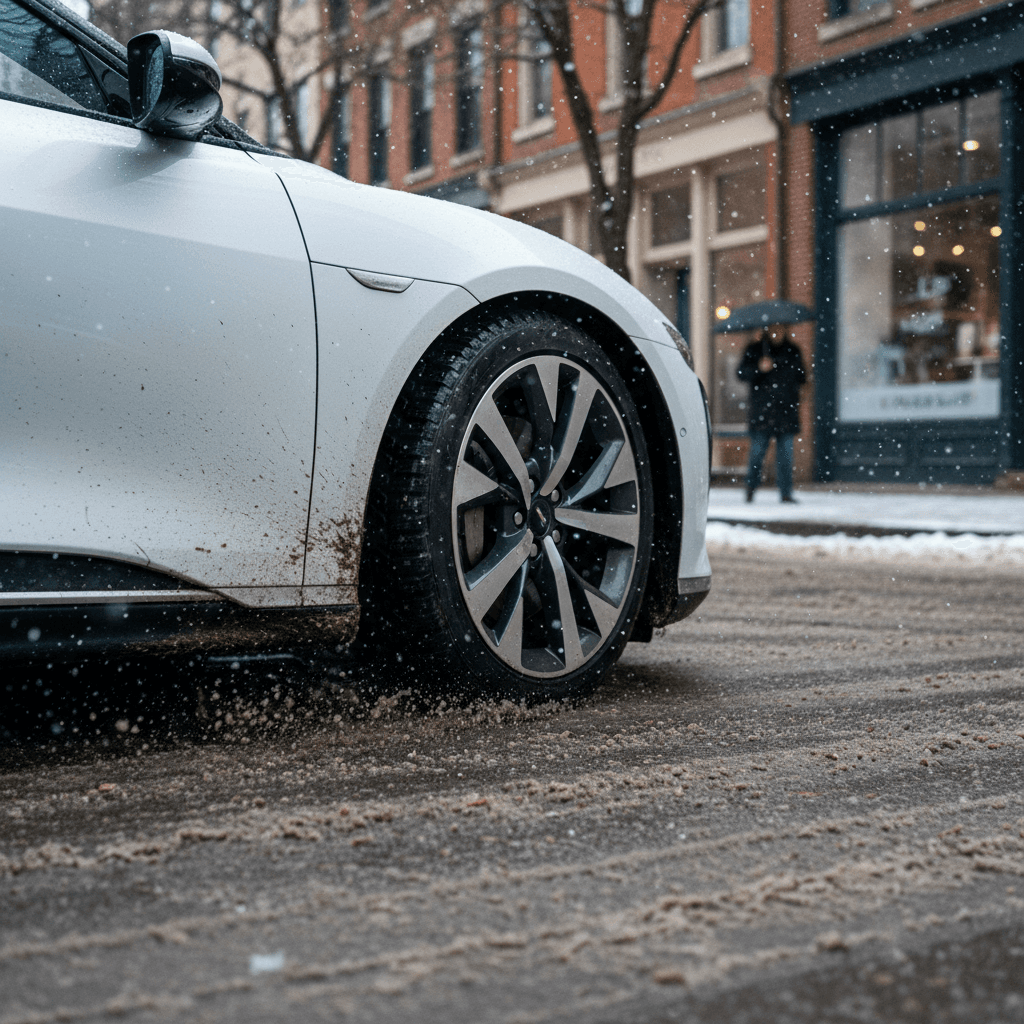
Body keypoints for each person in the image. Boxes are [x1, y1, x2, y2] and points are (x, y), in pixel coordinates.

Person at [736, 326, 807, 503]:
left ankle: (786, 492)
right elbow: (741, 373)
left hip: (786, 411)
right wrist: (759, 368)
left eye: (780, 328)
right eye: (774, 328)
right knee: (757, 454)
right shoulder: (755, 350)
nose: (777, 332)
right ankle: (751, 488)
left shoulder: (792, 350)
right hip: (762, 412)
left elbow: (802, 376)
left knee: (786, 457)